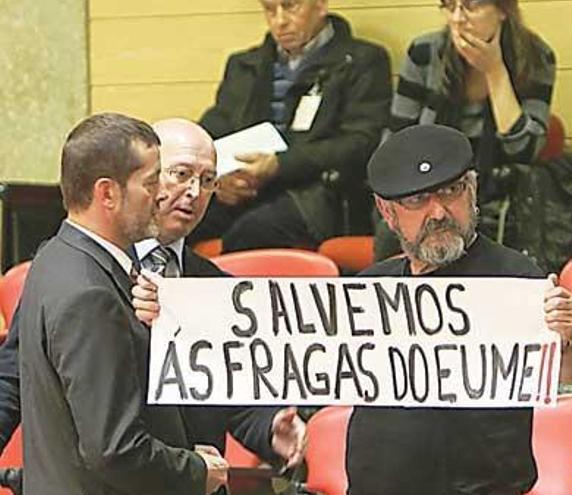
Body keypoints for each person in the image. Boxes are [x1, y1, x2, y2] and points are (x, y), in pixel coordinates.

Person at [5, 116, 305, 494]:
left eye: (208, 180)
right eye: (177, 174)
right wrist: (193, 470)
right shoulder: (81, 276)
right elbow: (19, 376)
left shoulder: (212, 284)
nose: (193, 192)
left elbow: (219, 385)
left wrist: (267, 426)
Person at [347, 124, 572, 495]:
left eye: (451, 191)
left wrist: (565, 338)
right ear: (387, 212)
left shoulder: (513, 277)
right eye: (417, 200)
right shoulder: (370, 289)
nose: (439, 211)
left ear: (472, 191)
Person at [16, 113, 224, 494]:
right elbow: (113, 449)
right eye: (150, 182)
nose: (161, 194)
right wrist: (196, 471)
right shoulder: (90, 294)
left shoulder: (53, 259)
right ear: (107, 193)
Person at [190, 0, 392, 252]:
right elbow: (214, 128)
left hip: (318, 194)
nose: (279, 21)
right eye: (269, 10)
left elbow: (361, 142)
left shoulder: (362, 61)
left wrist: (280, 165)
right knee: (170, 219)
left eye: (290, 6)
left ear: (320, 5)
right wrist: (218, 179)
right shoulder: (245, 65)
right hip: (245, 188)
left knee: (252, 231)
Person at [373, 0, 557, 262]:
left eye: (471, 6)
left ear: (503, 10)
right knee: (390, 232)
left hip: (498, 196)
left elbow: (524, 150)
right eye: (449, 6)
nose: (458, 18)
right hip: (424, 189)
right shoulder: (425, 53)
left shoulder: (536, 57)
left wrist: (495, 71)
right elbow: (394, 149)